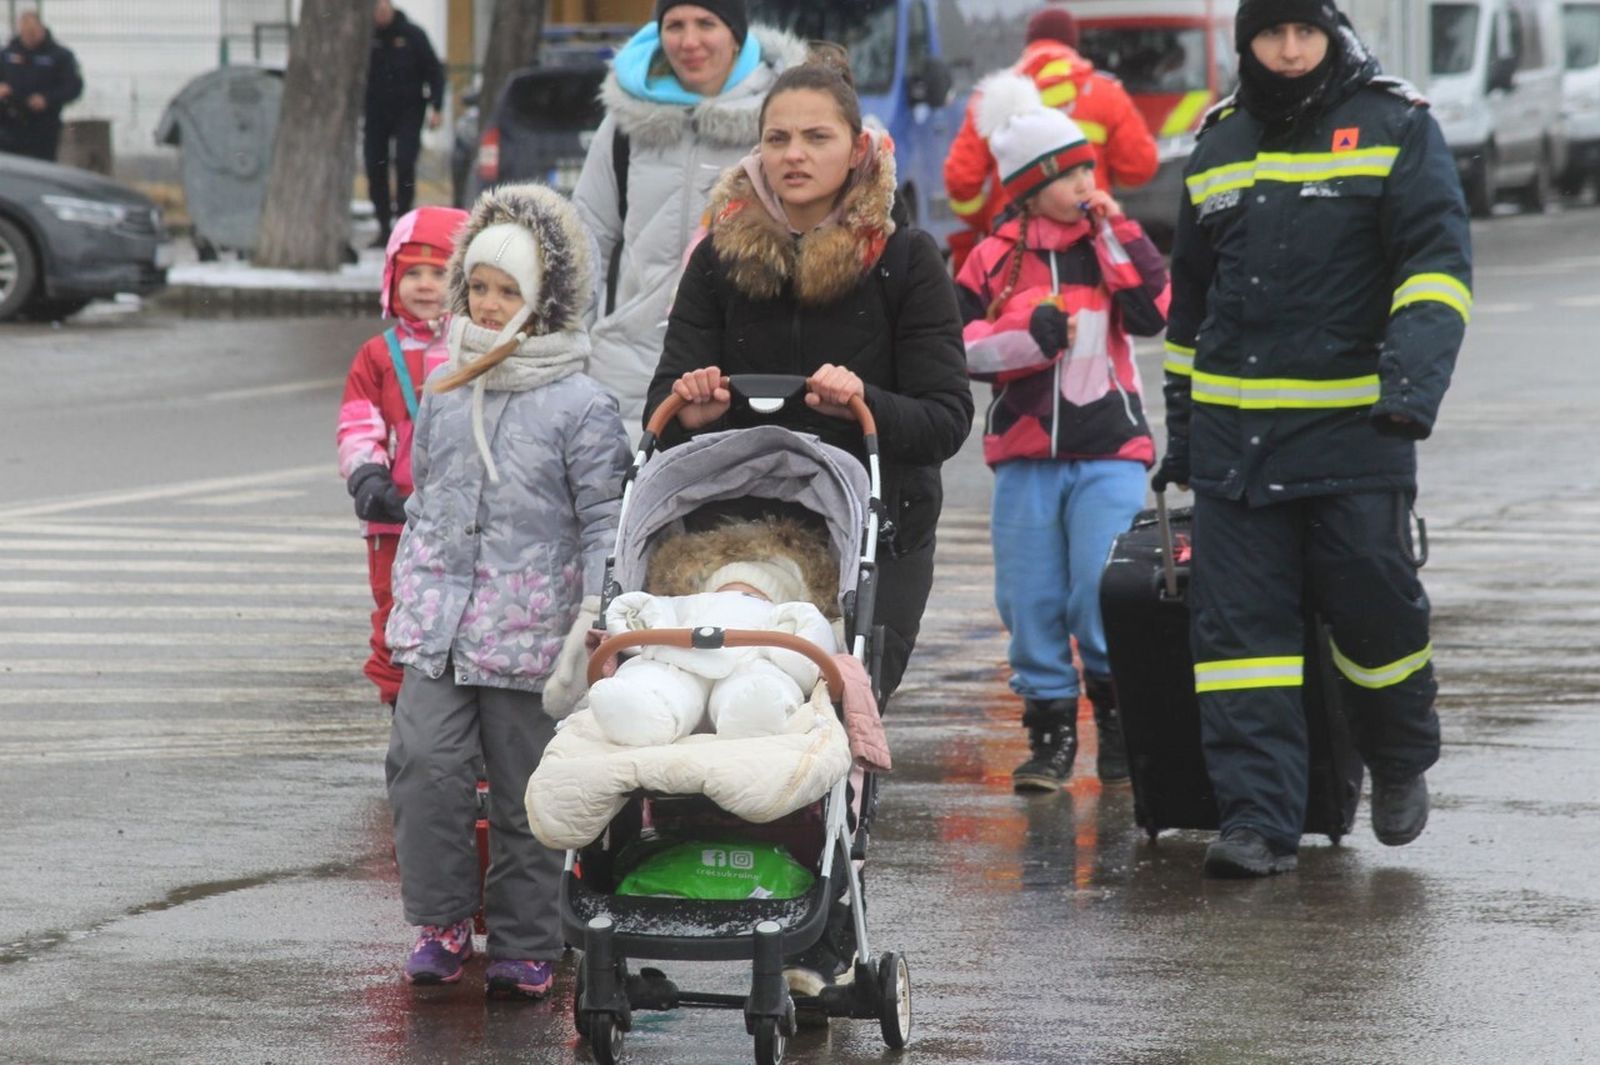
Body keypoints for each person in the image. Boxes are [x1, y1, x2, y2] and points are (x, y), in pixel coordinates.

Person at [648, 57, 972, 993]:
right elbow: (661, 407)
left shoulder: (904, 260)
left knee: (820, 717)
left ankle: (821, 928)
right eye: (777, 137)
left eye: (814, 137)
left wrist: (866, 398)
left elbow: (947, 419)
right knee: (716, 704)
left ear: (857, 147)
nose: (793, 154)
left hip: (873, 528)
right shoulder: (720, 257)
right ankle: (714, 888)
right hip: (737, 537)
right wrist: (696, 404)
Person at [1157, 0, 1471, 878]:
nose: (1289, 51)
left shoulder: (1394, 124)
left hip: (1356, 433)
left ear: (1332, 35)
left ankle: (1400, 757)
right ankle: (1260, 819)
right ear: (1247, 41)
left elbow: (1436, 270)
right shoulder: (1217, 141)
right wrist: (1182, 435)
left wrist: (1409, 390)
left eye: (1306, 33)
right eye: (1271, 34)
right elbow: (1190, 308)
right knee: (1239, 643)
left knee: (1378, 615)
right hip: (1235, 448)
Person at [382, 182, 630, 995]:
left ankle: (528, 938)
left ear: (544, 301)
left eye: (507, 291)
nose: (487, 306)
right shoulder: (445, 386)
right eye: (477, 288)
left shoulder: (582, 403)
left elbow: (604, 520)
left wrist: (596, 614)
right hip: (440, 625)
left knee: (529, 793)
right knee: (424, 765)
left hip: (534, 633)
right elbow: (428, 502)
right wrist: (408, 595)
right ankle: (443, 919)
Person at [955, 73, 1170, 793]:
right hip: (1024, 455)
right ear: (1027, 185)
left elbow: (1153, 307)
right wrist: (1029, 335)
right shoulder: (990, 257)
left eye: (1088, 167)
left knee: (1099, 588)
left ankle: (1117, 721)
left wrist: (1115, 226)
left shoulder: (1108, 240)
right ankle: (1049, 735)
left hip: (1109, 448)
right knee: (1030, 598)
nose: (1085, 181)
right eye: (1069, 172)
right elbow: (958, 346)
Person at [571, 0, 807, 431]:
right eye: (674, 25)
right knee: (624, 495)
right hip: (628, 364)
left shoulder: (782, 122)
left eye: (706, 23)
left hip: (738, 369)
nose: (689, 41)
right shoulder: (626, 123)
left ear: (736, 35)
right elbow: (587, 236)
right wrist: (573, 344)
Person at [337, 205, 468, 707]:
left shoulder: (473, 352)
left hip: (456, 516)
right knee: (394, 612)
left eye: (439, 272)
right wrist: (368, 475)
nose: (425, 284)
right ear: (392, 277)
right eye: (411, 272)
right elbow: (358, 422)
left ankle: (456, 717)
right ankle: (401, 707)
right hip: (392, 517)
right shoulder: (376, 355)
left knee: (458, 613)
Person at [942, 5, 1158, 274]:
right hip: (1087, 239)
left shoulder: (995, 99)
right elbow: (1140, 166)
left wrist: (986, 219)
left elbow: (961, 180)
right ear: (1073, 44)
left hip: (1013, 243)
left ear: (1029, 43)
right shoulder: (1107, 94)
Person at [589, 517, 840, 745]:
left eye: (754, 589)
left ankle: (751, 717)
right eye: (732, 584)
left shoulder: (782, 612)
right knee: (654, 674)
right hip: (680, 657)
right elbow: (646, 611)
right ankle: (643, 712)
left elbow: (811, 641)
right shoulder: (692, 602)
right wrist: (635, 624)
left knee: (763, 681)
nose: (741, 592)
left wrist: (792, 658)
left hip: (750, 661)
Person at [365, 0, 446, 247]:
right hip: (375, 112)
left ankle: (403, 220)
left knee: (405, 162)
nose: (380, 13)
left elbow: (434, 71)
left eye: (383, 7)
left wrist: (437, 106)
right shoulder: (365, 37)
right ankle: (383, 224)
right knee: (375, 166)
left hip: (409, 110)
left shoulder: (412, 34)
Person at [0, 9, 82, 162]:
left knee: (40, 169)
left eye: (33, 32)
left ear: (41, 29)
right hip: (9, 125)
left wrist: (47, 99)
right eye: (25, 32)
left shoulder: (59, 56)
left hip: (43, 127)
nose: (29, 37)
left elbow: (73, 87)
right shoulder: (7, 55)